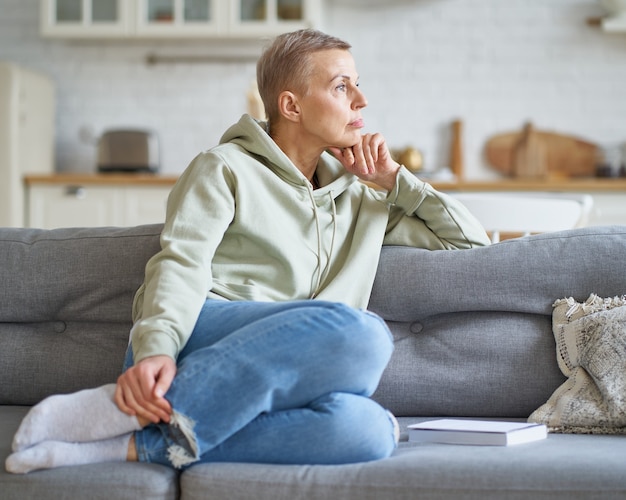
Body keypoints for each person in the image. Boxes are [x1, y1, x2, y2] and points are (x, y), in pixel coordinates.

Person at [6, 29, 490, 474]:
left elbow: (470, 244)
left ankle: (130, 441)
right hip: (201, 335)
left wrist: (394, 181)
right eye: (342, 87)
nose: (362, 99)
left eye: (357, 85)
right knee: (364, 335)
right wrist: (154, 348)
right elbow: (182, 263)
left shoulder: (365, 197)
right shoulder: (224, 168)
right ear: (292, 105)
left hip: (289, 363)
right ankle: (130, 406)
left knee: (369, 430)